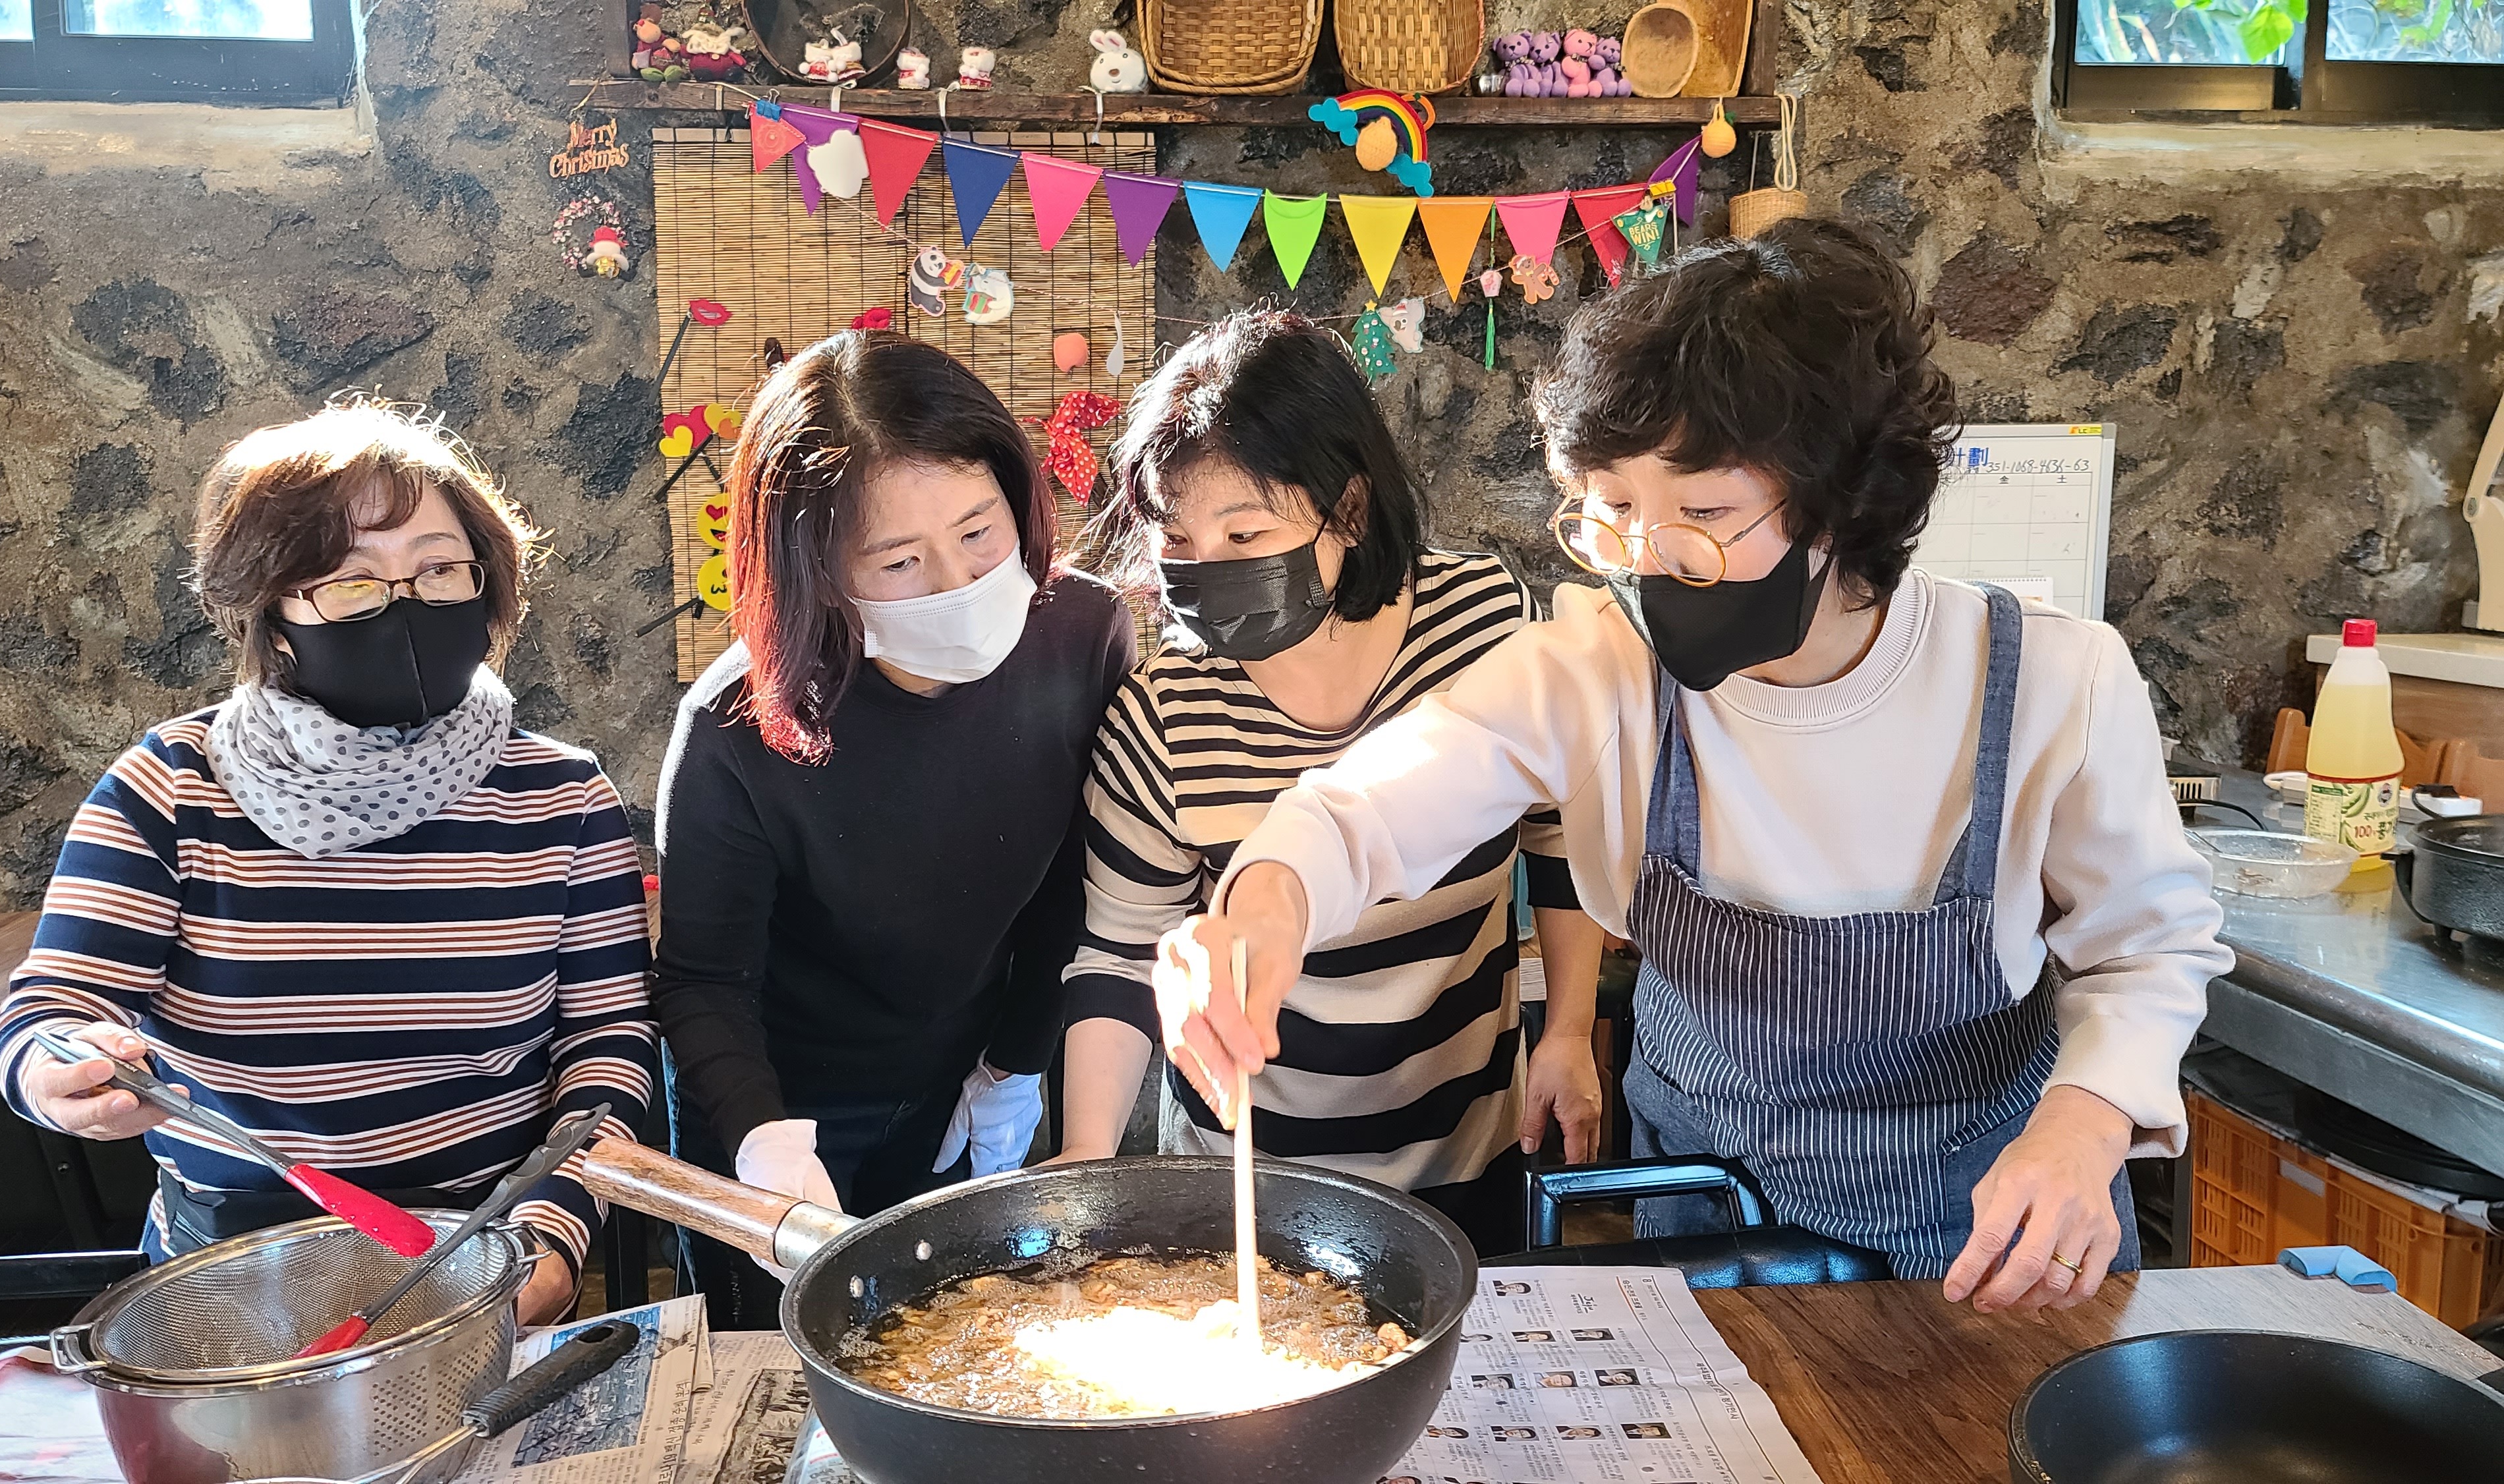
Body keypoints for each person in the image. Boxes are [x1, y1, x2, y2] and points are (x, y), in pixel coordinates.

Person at [1153, 219, 2229, 1314]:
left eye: (1703, 511)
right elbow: (1368, 806)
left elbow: (2146, 947)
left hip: (1990, 1225)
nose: (1646, 559)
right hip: (1712, 1211)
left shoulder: (2047, 680)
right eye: (1614, 508)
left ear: (1841, 499)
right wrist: (1264, 909)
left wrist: (2085, 1125)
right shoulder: (1601, 669)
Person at [0, 400, 655, 1323]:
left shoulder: (561, 795)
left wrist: (550, 1235)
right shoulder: (173, 789)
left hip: (487, 1254)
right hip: (235, 1277)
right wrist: (60, 1071)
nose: (405, 604)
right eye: (350, 581)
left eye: (439, 569)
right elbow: (49, 1010)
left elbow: (609, 1043)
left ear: (488, 583)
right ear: (273, 615)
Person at [1052, 310, 1603, 1258]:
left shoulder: (1481, 624)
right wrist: (1086, 1154)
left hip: (1466, 1143)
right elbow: (1117, 956)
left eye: (1244, 533)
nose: (1206, 571)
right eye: (1176, 541)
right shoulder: (1163, 711)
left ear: (1348, 511)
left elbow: (1560, 835)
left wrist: (1570, 1030)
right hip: (1246, 1178)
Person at [650, 332, 1133, 1327]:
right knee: (779, 1368)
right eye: (901, 561)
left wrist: (1015, 1061)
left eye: (979, 532)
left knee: (960, 1345)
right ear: (819, 572)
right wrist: (765, 1144)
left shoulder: (1081, 635)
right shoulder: (737, 727)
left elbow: (1074, 879)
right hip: (774, 1097)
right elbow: (704, 982)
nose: (958, 582)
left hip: (959, 1075)